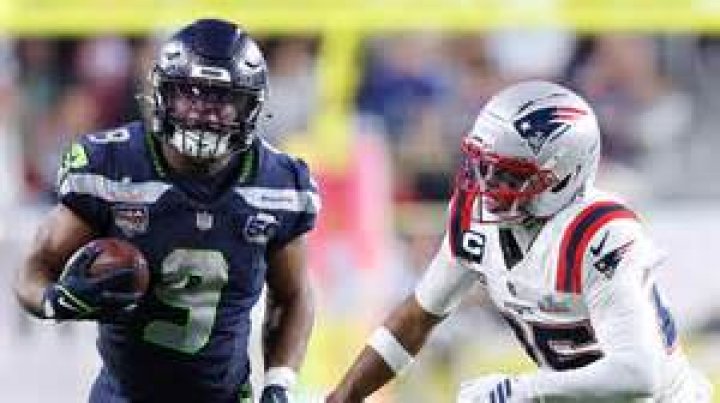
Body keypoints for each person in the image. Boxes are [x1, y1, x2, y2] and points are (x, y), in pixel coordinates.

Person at [326, 80, 712, 402]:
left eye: (509, 175)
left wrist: (519, 390)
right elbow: (417, 317)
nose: (487, 187)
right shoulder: (476, 217)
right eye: (483, 167)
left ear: (563, 176)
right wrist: (342, 397)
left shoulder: (599, 234)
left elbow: (640, 374)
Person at [14, 18, 319, 403]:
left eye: (223, 100)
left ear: (250, 106)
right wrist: (53, 299)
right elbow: (35, 266)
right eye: (191, 95)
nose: (205, 113)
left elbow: (294, 295)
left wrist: (279, 381)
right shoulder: (113, 164)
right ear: (162, 94)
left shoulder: (279, 184)